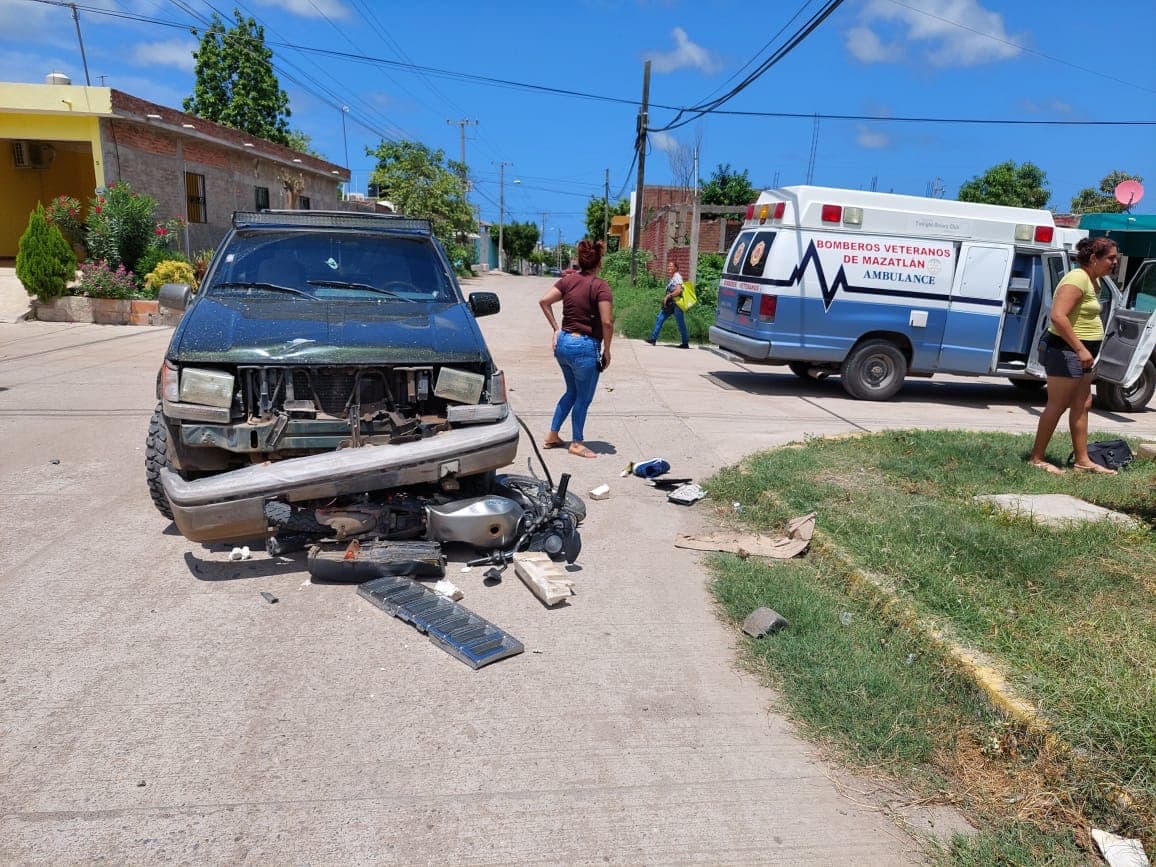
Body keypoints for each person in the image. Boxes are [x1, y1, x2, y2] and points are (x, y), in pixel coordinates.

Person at [1027, 237, 1120, 475]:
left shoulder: (1093, 280)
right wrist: (1080, 348)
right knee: (1057, 405)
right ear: (1093, 258)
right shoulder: (1077, 278)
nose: (1114, 261)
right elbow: (1058, 316)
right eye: (1110, 257)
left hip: (1082, 354)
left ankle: (1082, 461)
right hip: (1065, 350)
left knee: (1083, 403)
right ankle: (1037, 458)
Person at [539, 239, 614, 459]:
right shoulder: (600, 286)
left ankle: (552, 435)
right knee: (583, 397)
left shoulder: (567, 281)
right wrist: (607, 351)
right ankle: (577, 443)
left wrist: (556, 330)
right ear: (599, 262)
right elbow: (607, 322)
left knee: (571, 392)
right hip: (584, 347)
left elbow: (544, 301)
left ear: (579, 261)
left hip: (563, 345)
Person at [645, 260, 690, 348]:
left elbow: (679, 290)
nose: (669, 268)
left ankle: (685, 343)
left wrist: (668, 296)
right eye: (668, 266)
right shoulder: (673, 277)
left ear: (676, 268)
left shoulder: (677, 277)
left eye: (671, 266)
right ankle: (653, 339)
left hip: (676, 304)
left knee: (680, 323)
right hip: (671, 304)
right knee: (660, 318)